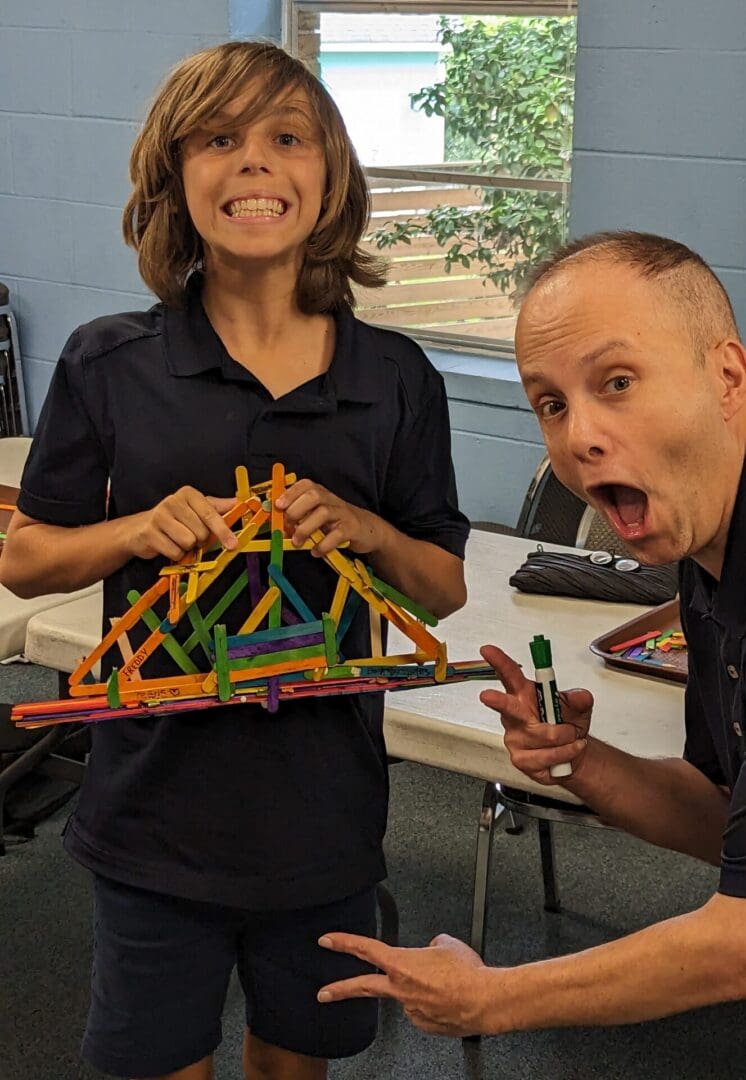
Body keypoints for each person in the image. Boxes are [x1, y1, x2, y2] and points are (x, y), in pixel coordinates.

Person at [0, 41, 468, 1080]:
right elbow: (27, 560)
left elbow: (442, 585)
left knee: (294, 1060)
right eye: (219, 140)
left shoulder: (394, 379)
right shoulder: (108, 361)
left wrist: (369, 531)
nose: (253, 165)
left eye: (285, 139)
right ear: (174, 177)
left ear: (330, 176)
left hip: (322, 822)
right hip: (151, 821)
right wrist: (134, 530)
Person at [314, 231, 746, 1041]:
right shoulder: (715, 541)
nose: (578, 438)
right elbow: (736, 826)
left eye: (616, 382)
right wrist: (580, 761)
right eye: (550, 403)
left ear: (725, 376)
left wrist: (489, 999)